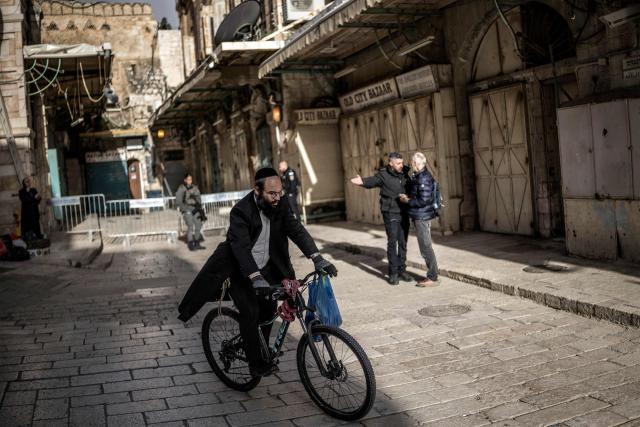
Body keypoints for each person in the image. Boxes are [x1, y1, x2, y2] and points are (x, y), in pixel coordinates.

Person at [178, 167, 337, 378]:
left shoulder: (280, 204)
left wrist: (318, 258)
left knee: (270, 309)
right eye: (272, 193)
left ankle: (260, 347)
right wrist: (255, 277)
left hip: (268, 267)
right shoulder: (241, 211)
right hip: (241, 270)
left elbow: (296, 230)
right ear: (257, 190)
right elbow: (241, 249)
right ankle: (255, 363)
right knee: (250, 311)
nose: (277, 197)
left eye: (279, 192)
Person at [350, 152, 412, 285]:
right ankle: (393, 273)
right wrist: (362, 182)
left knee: (403, 242)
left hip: (404, 212)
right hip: (390, 212)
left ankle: (402, 270)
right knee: (392, 242)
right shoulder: (383, 175)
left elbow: (412, 187)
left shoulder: (405, 172)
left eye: (402, 162)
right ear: (391, 163)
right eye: (398, 163)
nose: (401, 165)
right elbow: (372, 181)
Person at [399, 152, 439, 287]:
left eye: (412, 163)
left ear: (417, 164)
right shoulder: (418, 176)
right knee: (425, 247)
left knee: (426, 247)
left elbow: (423, 200)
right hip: (420, 216)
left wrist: (407, 200)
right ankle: (432, 275)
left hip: (422, 216)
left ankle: (432, 277)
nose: (411, 165)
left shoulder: (423, 178)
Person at [176, 173, 205, 251]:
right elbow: (178, 201)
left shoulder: (195, 188)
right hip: (187, 209)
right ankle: (190, 244)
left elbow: (199, 199)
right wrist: (184, 209)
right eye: (188, 179)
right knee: (190, 226)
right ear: (185, 180)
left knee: (198, 225)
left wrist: (199, 206)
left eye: (191, 179)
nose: (190, 181)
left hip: (195, 209)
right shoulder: (181, 188)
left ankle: (197, 243)